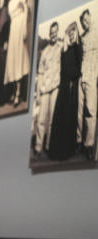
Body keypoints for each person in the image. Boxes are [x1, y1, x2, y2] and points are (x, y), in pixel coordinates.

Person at [49, 21, 83, 161]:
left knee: (70, 116)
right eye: (69, 32)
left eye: (73, 32)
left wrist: (71, 77)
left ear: (76, 33)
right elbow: (62, 68)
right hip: (64, 86)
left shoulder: (77, 48)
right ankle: (57, 151)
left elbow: (79, 68)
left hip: (72, 86)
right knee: (60, 116)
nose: (71, 34)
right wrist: (65, 45)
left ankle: (68, 150)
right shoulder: (65, 49)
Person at [34, 22, 62, 158]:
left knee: (52, 120)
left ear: (58, 32)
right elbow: (40, 73)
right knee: (41, 119)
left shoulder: (62, 48)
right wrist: (38, 92)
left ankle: (49, 146)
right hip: (45, 89)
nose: (53, 34)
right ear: (49, 33)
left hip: (56, 88)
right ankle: (38, 147)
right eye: (51, 32)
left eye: (55, 32)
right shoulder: (44, 52)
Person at [4, 0, 30, 106]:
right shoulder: (10, 3)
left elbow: (26, 11)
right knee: (13, 60)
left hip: (20, 27)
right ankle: (14, 92)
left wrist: (24, 30)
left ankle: (18, 94)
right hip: (13, 30)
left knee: (19, 60)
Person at [80, 9, 97, 159]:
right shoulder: (83, 37)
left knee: (91, 110)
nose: (85, 23)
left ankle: (90, 144)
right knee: (84, 111)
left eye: (86, 19)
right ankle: (83, 143)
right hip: (84, 76)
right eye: (83, 22)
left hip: (93, 75)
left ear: (90, 17)